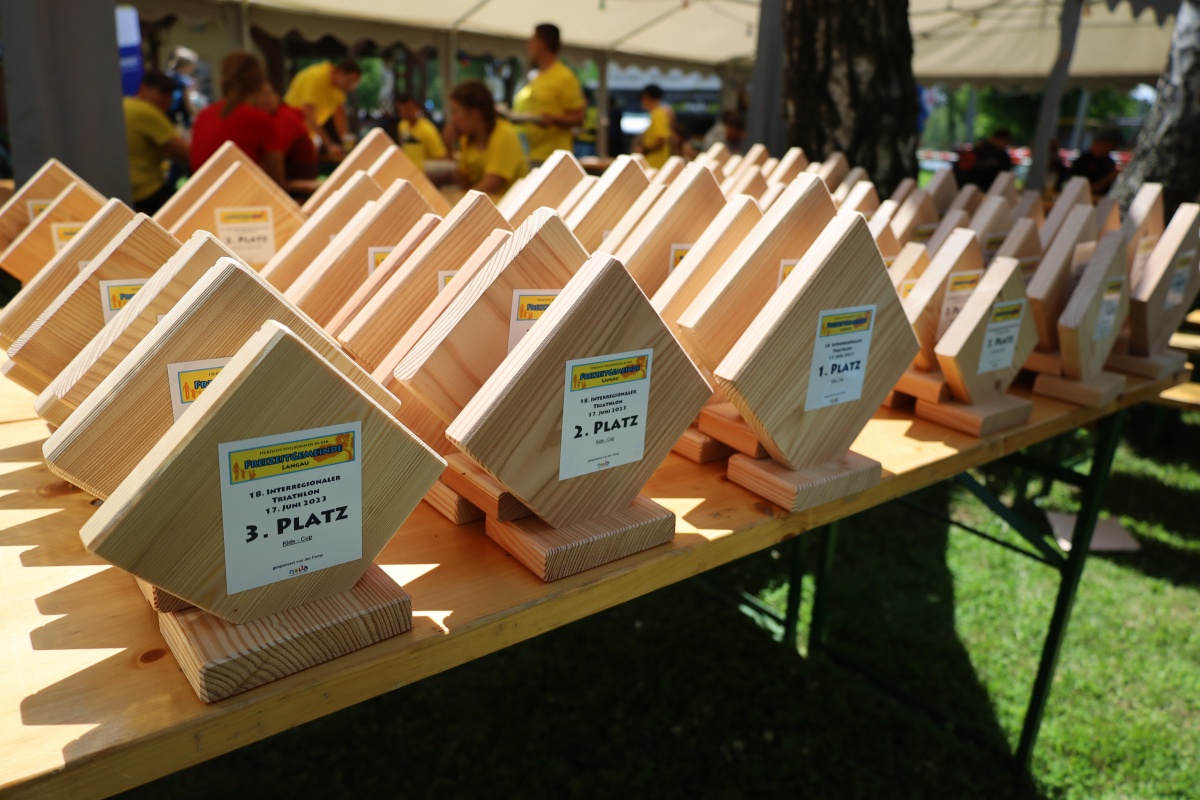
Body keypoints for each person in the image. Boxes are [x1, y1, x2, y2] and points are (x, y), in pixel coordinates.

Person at [190, 52, 285, 186]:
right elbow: (277, 183)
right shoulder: (259, 119)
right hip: (239, 196)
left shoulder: (204, 115)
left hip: (203, 195)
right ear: (260, 83)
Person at [513, 24, 585, 162]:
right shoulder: (536, 76)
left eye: (532, 40)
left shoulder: (564, 76)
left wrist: (554, 119)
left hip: (553, 158)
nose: (528, 46)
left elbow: (579, 117)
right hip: (532, 155)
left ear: (542, 43)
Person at [123, 71, 190, 214]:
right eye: (162, 92)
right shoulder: (146, 111)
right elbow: (185, 151)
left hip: (124, 191)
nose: (167, 99)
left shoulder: (124, 104)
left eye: (170, 94)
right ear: (144, 88)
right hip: (146, 193)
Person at [448, 79, 529, 197]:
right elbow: (464, 183)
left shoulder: (504, 134)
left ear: (475, 113)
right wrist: (450, 145)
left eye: (455, 111)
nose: (453, 119)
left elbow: (490, 186)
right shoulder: (467, 139)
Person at [284, 58, 362, 160]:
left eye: (354, 84)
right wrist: (329, 144)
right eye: (350, 81)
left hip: (304, 134)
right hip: (288, 132)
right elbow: (309, 116)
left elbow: (339, 115)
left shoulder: (338, 87)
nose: (350, 87)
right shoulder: (316, 78)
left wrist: (346, 143)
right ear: (340, 72)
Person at [256, 82, 318, 182]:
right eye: (259, 95)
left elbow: (276, 153)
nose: (265, 99)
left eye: (268, 94)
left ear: (277, 96)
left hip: (297, 176)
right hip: (290, 171)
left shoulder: (285, 116)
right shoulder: (269, 117)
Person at [395, 93, 446, 168]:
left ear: (416, 108)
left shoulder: (427, 130)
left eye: (408, 108)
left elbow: (440, 156)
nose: (404, 112)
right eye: (401, 109)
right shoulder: (402, 126)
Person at [1069, 130, 1120, 197]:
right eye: (1108, 146)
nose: (1109, 149)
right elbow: (1080, 190)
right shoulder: (1082, 161)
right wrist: (1108, 178)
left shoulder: (1108, 162)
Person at [638, 84, 673, 170]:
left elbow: (661, 139)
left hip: (655, 166)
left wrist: (645, 150)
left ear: (646, 97)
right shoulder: (658, 113)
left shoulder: (658, 114)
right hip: (655, 165)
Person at [164, 46, 200, 128]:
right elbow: (188, 105)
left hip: (165, 115)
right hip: (180, 119)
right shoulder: (184, 80)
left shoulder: (167, 76)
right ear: (187, 65)